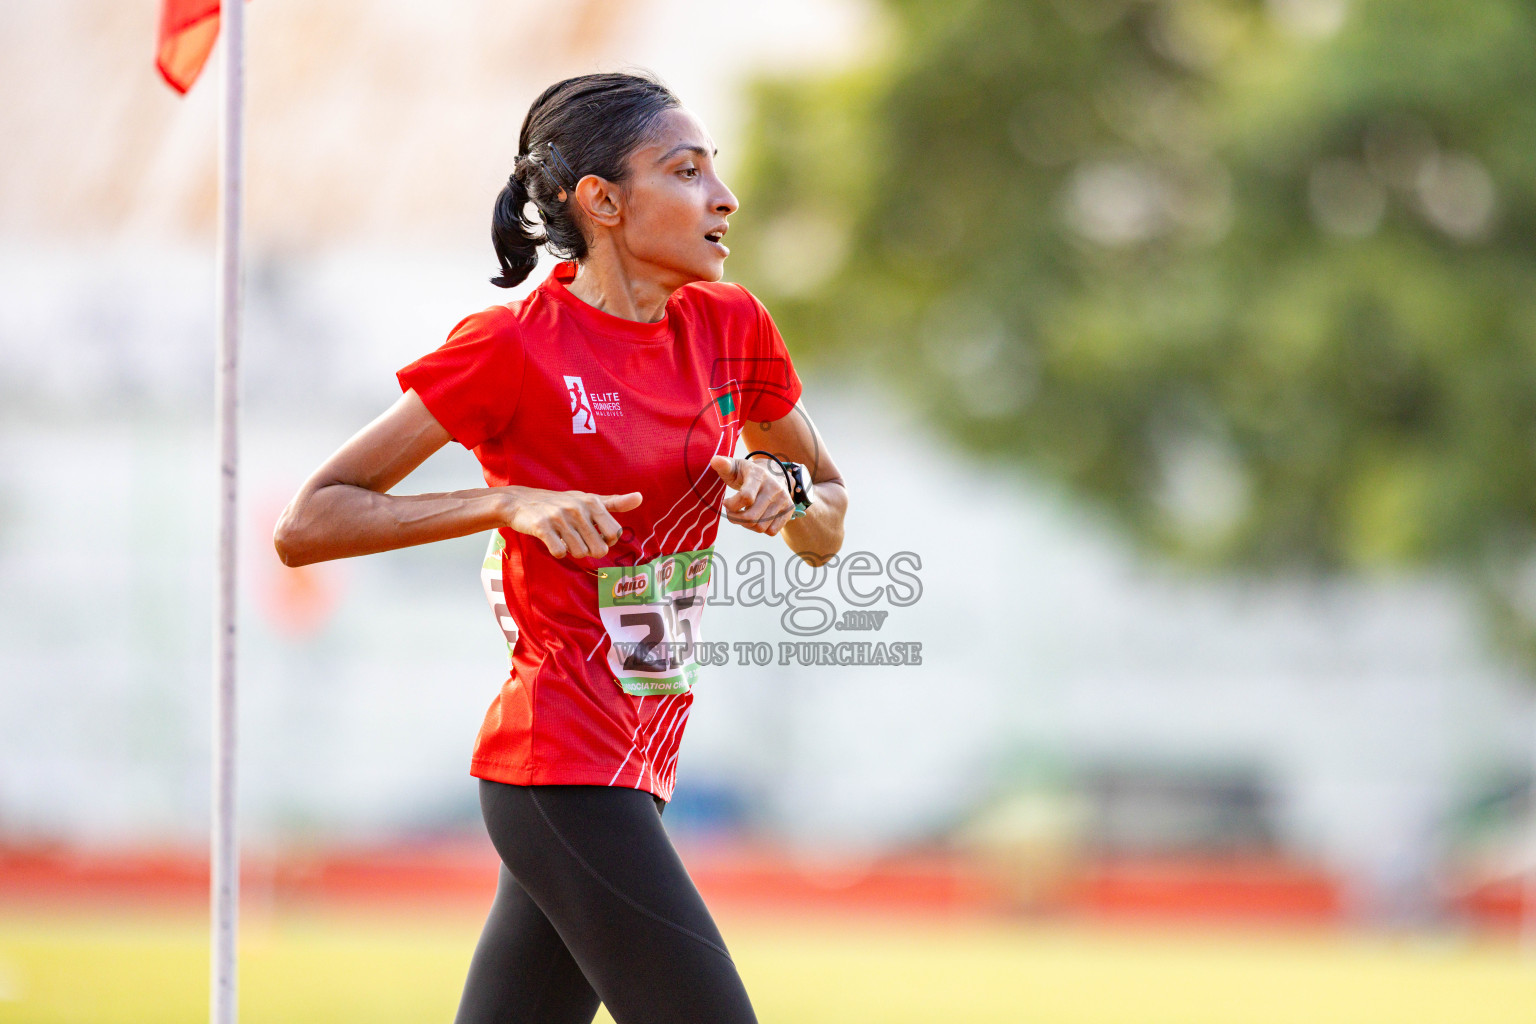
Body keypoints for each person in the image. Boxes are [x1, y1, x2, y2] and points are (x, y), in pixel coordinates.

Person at [273, 71, 848, 1024]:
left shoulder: (732, 327)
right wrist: (508, 501)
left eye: (716, 172)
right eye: (688, 171)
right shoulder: (511, 346)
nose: (724, 198)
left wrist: (777, 490)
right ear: (604, 202)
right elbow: (312, 520)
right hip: (560, 764)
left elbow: (826, 516)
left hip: (641, 760)